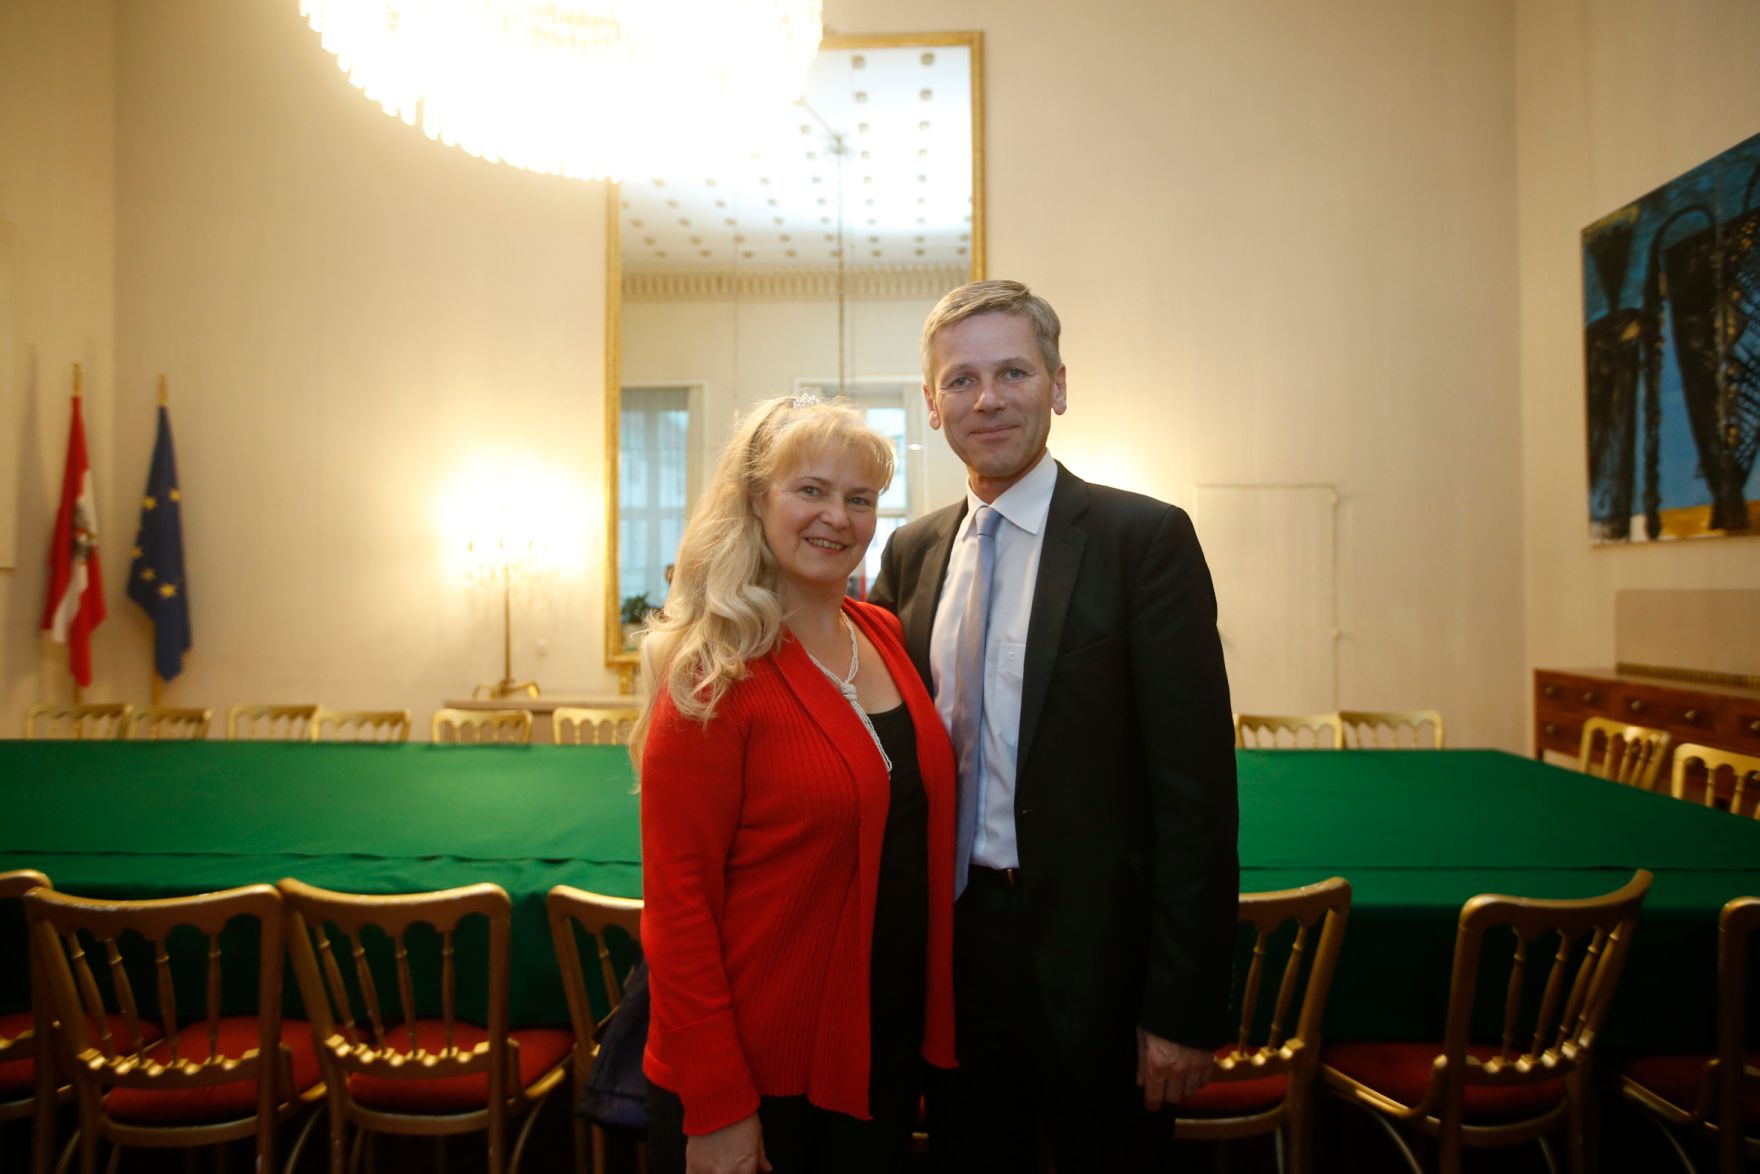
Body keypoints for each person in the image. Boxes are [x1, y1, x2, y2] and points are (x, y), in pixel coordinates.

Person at [870, 280, 1240, 1172]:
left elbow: (1196, 794)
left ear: (1058, 385)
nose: (987, 398)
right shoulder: (911, 553)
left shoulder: (1142, 540)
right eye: (960, 380)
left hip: (1098, 971)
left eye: (1012, 372)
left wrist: (1181, 1011)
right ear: (931, 404)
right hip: (949, 960)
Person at [632, 395, 957, 1174]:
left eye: (860, 498)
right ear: (755, 501)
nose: (836, 518)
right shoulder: (714, 671)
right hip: (760, 1074)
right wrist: (718, 1105)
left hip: (875, 1048)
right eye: (810, 490)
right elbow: (678, 908)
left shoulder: (883, 634)